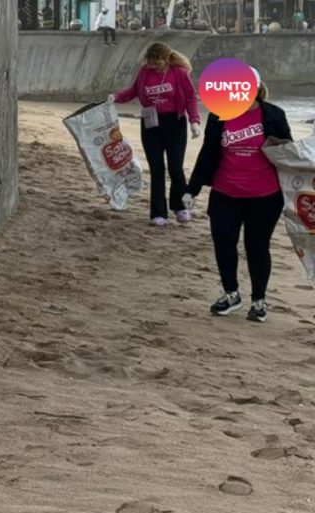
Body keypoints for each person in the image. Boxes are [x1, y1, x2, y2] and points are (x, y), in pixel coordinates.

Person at [185, 68, 292, 322]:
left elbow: (288, 154)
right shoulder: (218, 116)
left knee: (257, 247)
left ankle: (258, 301)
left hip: (265, 196)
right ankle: (231, 294)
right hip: (225, 193)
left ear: (255, 89)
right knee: (223, 243)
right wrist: (192, 189)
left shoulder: (274, 115)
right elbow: (208, 153)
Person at [110, 42, 201, 226]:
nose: (152, 66)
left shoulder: (179, 73)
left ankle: (180, 206)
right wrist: (116, 97)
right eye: (150, 63)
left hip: (175, 123)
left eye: (156, 63)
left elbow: (191, 98)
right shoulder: (145, 72)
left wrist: (194, 121)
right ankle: (158, 213)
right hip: (151, 124)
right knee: (157, 169)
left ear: (166, 60)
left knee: (176, 168)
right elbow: (133, 91)